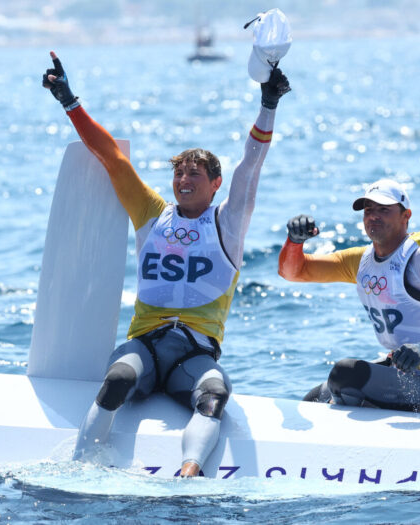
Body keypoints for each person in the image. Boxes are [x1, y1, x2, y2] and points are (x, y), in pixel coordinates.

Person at [43, 51, 290, 476]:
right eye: (179, 174)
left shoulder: (228, 223)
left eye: (194, 175)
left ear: (215, 184)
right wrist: (69, 100)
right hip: (145, 345)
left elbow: (251, 165)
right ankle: (79, 469)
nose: (184, 180)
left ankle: (189, 473)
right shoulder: (152, 213)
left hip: (194, 354)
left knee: (214, 394)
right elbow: (111, 157)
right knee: (118, 379)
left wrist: (268, 104)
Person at [278, 179, 420, 415]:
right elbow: (293, 272)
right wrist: (294, 242)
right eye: (368, 210)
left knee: (345, 374)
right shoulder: (361, 261)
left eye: (384, 210)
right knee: (315, 398)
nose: (374, 216)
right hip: (400, 374)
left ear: (405, 216)